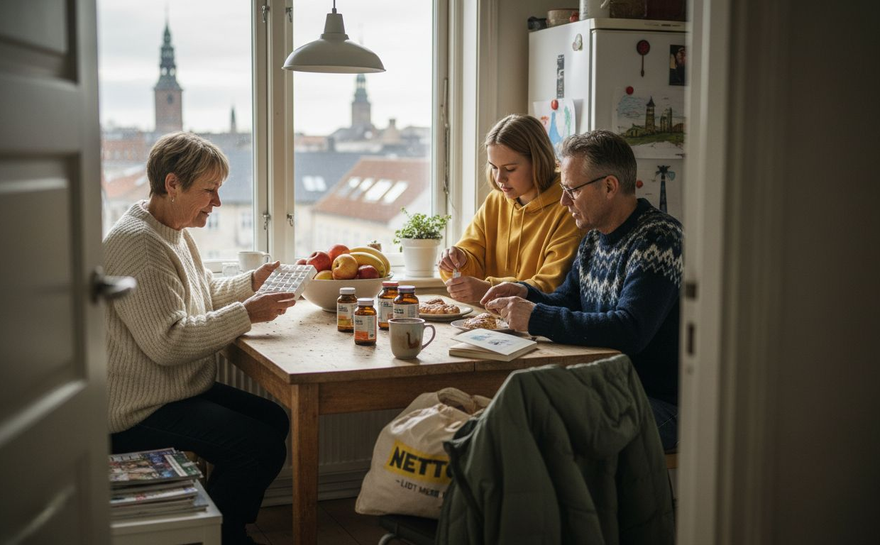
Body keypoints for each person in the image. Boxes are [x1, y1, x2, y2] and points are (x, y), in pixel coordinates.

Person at [104, 132, 297, 545]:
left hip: (173, 391)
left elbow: (202, 292)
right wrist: (248, 313)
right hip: (140, 408)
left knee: (275, 420)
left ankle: (213, 525)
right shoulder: (139, 246)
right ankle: (222, 535)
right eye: (209, 190)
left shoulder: (168, 228)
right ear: (172, 184)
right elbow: (169, 342)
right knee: (260, 448)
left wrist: (250, 283)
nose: (218, 202)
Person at [481, 130, 683, 450]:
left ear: (609, 186)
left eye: (571, 190)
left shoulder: (658, 238)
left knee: (545, 434)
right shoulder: (593, 238)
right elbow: (568, 300)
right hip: (609, 387)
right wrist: (525, 293)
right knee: (512, 411)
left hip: (662, 404)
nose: (563, 201)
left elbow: (630, 329)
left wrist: (536, 317)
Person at [437, 114, 583, 302]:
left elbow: (552, 285)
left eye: (510, 169)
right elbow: (472, 252)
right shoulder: (495, 200)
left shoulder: (568, 207)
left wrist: (489, 289)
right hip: (493, 322)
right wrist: (459, 260)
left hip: (535, 326)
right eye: (494, 167)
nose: (499, 179)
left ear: (538, 161)